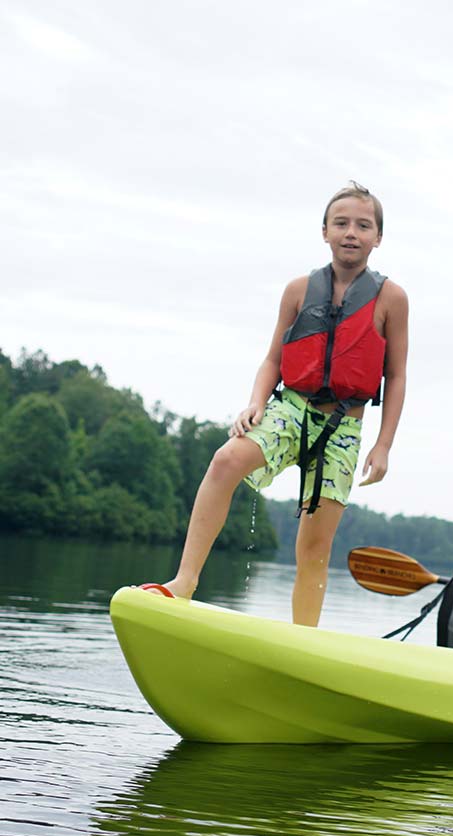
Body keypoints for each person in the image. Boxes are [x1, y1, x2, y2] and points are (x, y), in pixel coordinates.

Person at [155, 181, 409, 626]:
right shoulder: (297, 290)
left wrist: (384, 445)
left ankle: (302, 639)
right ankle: (184, 582)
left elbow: (398, 375)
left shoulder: (392, 299)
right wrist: (255, 403)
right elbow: (273, 358)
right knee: (225, 461)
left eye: (363, 225)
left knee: (314, 546)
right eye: (341, 223)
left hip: (343, 429)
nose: (352, 232)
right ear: (325, 231)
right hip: (289, 408)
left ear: (378, 237)